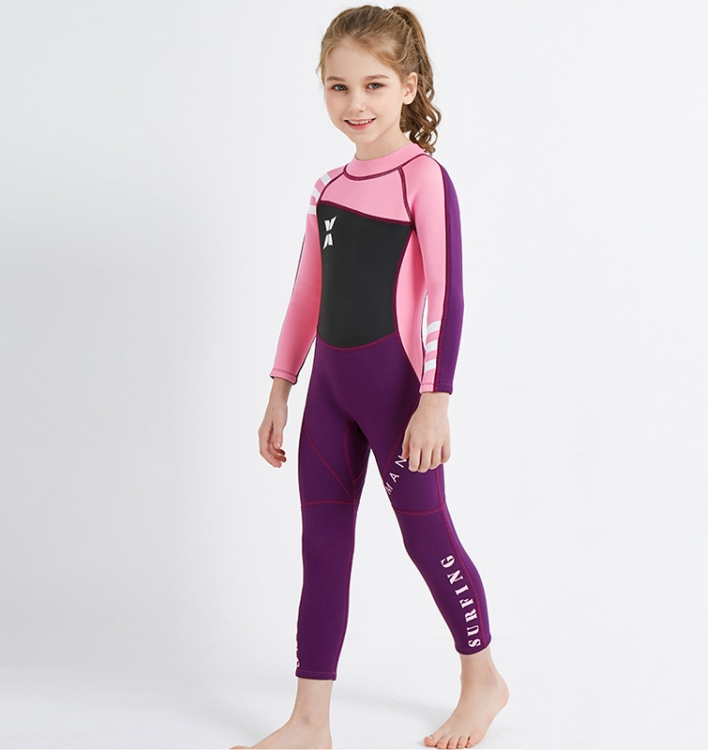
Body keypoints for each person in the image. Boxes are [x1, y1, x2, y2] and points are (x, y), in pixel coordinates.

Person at [233, 5, 509, 749]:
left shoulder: (424, 177)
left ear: (409, 88)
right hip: (328, 394)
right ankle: (309, 722)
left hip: (396, 395)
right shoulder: (327, 187)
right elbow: (306, 294)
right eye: (339, 87)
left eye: (374, 85)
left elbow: (447, 296)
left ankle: (483, 680)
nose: (355, 104)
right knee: (322, 548)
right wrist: (280, 388)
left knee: (426, 536)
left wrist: (435, 400)